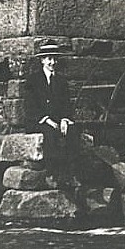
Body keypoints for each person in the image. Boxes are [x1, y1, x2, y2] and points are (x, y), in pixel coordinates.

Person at [25, 42, 78, 184]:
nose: (52, 62)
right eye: (49, 59)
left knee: (73, 131)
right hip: (39, 121)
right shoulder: (33, 80)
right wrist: (47, 119)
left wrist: (65, 120)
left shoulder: (61, 81)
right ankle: (54, 172)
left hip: (58, 120)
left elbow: (66, 104)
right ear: (42, 60)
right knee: (50, 133)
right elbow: (30, 105)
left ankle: (73, 172)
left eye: (54, 59)